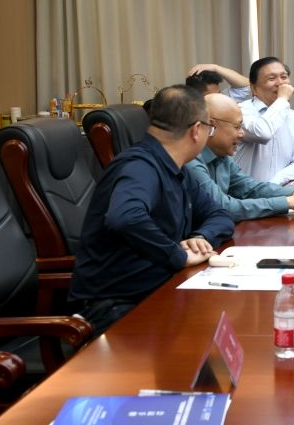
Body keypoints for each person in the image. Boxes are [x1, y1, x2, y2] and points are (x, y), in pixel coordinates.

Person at [70, 85, 234, 336]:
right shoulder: (140, 167)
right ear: (196, 130)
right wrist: (177, 255)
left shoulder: (177, 167)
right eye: (209, 128)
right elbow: (124, 217)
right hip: (118, 306)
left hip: (161, 289)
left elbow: (220, 215)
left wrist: (200, 238)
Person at [188, 93, 294, 222]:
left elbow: (251, 189)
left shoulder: (222, 156)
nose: (241, 134)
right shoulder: (191, 160)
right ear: (212, 126)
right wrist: (288, 202)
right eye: (237, 127)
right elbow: (222, 207)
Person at [233, 57, 294, 185]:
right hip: (244, 194)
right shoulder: (239, 111)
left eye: (284, 77)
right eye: (271, 78)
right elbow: (262, 133)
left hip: (280, 192)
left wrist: (273, 184)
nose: (280, 83)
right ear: (254, 88)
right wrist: (282, 99)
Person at [186, 63, 252, 103]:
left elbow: (245, 85)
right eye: (212, 96)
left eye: (219, 93)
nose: (218, 98)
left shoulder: (222, 100)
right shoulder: (186, 116)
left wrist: (215, 68)